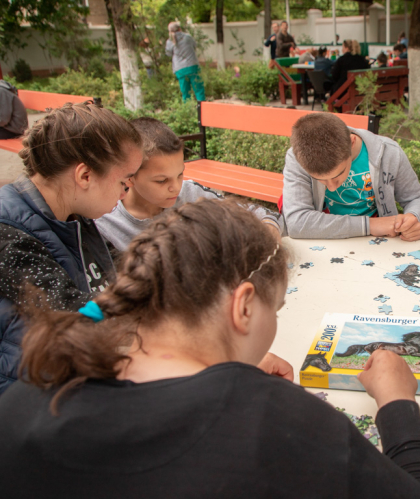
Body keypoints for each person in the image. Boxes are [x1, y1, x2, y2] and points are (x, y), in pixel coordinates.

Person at [0, 199, 420, 499]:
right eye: (276, 309)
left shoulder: (33, 386)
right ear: (243, 306)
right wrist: (397, 405)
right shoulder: (276, 418)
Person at [0, 102, 143, 395]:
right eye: (124, 180)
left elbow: (123, 271)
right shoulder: (7, 231)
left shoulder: (74, 216)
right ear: (85, 176)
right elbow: (72, 313)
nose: (126, 191)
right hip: (26, 396)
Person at [96, 117, 280, 254]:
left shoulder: (190, 192)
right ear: (129, 177)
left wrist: (268, 226)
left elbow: (259, 213)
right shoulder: (106, 223)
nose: (176, 187)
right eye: (162, 181)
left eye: (180, 174)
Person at [281, 112, 420, 241]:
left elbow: (417, 198)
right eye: (320, 180)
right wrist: (371, 225)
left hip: (375, 243)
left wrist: (413, 217)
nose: (331, 187)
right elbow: (297, 222)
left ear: (352, 143)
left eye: (338, 175)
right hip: (324, 240)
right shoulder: (298, 158)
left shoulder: (389, 152)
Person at [165, 21, 205, 102]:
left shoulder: (169, 41)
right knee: (199, 89)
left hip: (180, 69)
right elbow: (194, 46)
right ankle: (201, 108)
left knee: (185, 93)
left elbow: (168, 54)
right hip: (192, 66)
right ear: (179, 28)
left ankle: (187, 108)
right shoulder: (188, 37)